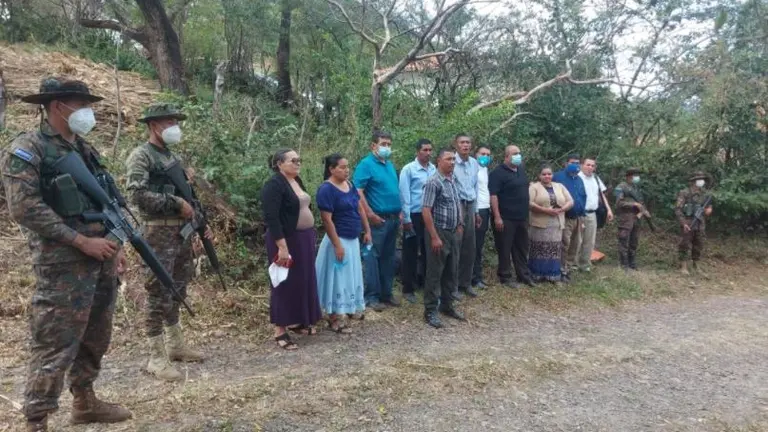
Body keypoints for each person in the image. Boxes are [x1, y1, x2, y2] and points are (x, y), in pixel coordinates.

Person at [1, 77, 132, 431]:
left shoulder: (85, 151)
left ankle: (85, 402)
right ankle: (36, 419)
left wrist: (115, 243)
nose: (89, 112)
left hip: (101, 258)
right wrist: (78, 240)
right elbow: (23, 207)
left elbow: (108, 203)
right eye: (82, 104)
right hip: (63, 264)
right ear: (58, 105)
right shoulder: (29, 148)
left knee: (96, 335)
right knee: (54, 342)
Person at [125, 104, 209, 381]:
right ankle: (155, 355)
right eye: (168, 121)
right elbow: (136, 195)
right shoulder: (141, 156)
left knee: (178, 288)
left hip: (181, 233)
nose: (174, 126)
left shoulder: (172, 156)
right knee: (157, 291)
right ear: (153, 125)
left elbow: (190, 198)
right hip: (157, 232)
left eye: (175, 121)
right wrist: (174, 202)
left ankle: (175, 344)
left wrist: (198, 223)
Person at [261, 149, 323, 350]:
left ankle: (299, 320)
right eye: (293, 160)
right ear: (279, 163)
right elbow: (272, 217)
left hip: (303, 238)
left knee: (303, 280)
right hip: (286, 240)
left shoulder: (297, 180)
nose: (298, 164)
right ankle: (280, 330)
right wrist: (282, 246)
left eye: (299, 160)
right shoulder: (274, 185)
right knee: (284, 282)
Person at [315, 154, 372, 332]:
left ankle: (349, 308)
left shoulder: (350, 185)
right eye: (342, 167)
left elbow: (359, 207)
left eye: (348, 167)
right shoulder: (326, 189)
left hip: (352, 238)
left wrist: (367, 230)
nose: (346, 170)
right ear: (331, 169)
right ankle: (333, 317)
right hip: (337, 240)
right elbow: (327, 220)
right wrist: (337, 244)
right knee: (337, 279)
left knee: (351, 276)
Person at [353, 131, 402, 311]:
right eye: (383, 143)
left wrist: (400, 211)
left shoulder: (388, 165)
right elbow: (358, 192)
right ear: (373, 146)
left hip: (393, 219)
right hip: (376, 220)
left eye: (389, 144)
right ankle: (371, 297)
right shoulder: (366, 165)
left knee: (389, 258)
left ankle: (386, 294)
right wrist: (370, 214)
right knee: (371, 257)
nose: (386, 147)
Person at [421, 148, 466, 328]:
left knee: (451, 271)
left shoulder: (453, 179)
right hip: (439, 233)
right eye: (449, 159)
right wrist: (434, 237)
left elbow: (458, 202)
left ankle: (447, 305)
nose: (453, 162)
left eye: (454, 159)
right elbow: (426, 210)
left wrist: (461, 223)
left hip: (454, 232)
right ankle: (430, 310)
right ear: (439, 161)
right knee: (435, 273)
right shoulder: (433, 182)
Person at [489, 145, 536, 288]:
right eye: (515, 154)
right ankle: (505, 277)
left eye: (519, 153)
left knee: (521, 247)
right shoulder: (497, 173)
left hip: (521, 217)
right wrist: (497, 216)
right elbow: (493, 196)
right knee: (504, 248)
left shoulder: (520, 171)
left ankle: (523, 275)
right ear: (506, 156)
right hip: (505, 218)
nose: (518, 156)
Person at [398, 139, 436, 303]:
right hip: (413, 215)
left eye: (430, 150)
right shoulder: (409, 170)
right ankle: (408, 288)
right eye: (425, 150)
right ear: (417, 152)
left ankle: (426, 284)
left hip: (430, 215)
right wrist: (406, 218)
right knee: (410, 252)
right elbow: (404, 195)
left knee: (429, 251)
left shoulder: (433, 168)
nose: (428, 153)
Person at [528, 164, 574, 283]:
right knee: (539, 248)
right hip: (540, 223)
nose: (547, 176)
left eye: (549, 174)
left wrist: (562, 209)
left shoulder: (559, 186)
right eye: (544, 174)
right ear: (539, 175)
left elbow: (570, 201)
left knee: (554, 249)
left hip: (556, 223)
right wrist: (545, 210)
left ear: (552, 175)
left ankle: (552, 275)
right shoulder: (534, 187)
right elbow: (529, 203)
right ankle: (537, 274)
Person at [452, 133, 481, 298]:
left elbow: (475, 188)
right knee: (456, 246)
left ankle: (466, 283)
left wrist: (476, 211)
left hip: (470, 205)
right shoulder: (451, 162)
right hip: (457, 206)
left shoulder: (474, 163)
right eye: (462, 142)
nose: (465, 145)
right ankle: (453, 286)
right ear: (456, 145)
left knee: (470, 246)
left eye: (468, 142)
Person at [552, 154, 586, 281]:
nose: (576, 165)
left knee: (575, 244)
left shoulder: (579, 179)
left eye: (578, 163)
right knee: (564, 244)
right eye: (573, 162)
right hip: (564, 217)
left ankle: (568, 268)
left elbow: (583, 197)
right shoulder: (557, 177)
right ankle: (560, 269)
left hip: (578, 217)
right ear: (566, 164)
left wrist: (582, 216)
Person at [577, 157, 614, 272]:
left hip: (592, 214)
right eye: (588, 165)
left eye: (593, 166)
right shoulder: (577, 178)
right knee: (577, 240)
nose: (590, 167)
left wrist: (609, 209)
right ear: (582, 165)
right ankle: (572, 264)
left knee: (590, 240)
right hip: (579, 214)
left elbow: (602, 196)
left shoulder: (596, 178)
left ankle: (585, 264)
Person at [674, 171, 713, 275]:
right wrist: (683, 223)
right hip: (688, 221)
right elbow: (678, 209)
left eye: (702, 179)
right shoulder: (685, 193)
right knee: (684, 244)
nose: (701, 181)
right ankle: (683, 266)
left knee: (699, 244)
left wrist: (709, 210)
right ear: (693, 181)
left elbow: (709, 206)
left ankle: (696, 265)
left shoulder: (705, 194)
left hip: (700, 223)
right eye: (699, 179)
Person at [614, 168, 650, 270]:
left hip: (637, 218)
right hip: (626, 218)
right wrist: (633, 204)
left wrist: (644, 211)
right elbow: (618, 203)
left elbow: (641, 202)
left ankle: (632, 262)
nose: (637, 177)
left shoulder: (636, 188)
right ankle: (623, 264)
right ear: (629, 176)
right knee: (624, 241)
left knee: (634, 241)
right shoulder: (621, 187)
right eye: (635, 175)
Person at [472, 145, 492, 289]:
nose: (485, 156)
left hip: (486, 209)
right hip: (476, 210)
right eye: (482, 153)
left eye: (487, 154)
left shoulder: (485, 169)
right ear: (476, 154)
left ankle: (477, 276)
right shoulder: (472, 168)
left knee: (479, 245)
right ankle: (471, 277)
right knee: (472, 246)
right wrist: (476, 211)